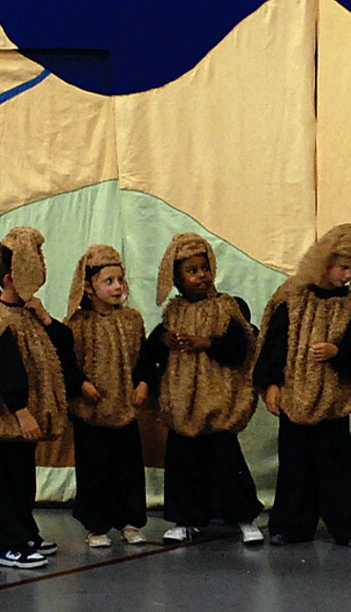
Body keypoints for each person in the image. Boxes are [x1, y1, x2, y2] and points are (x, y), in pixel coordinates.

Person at [0, 226, 84, 569]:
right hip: (11, 419)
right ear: (10, 277)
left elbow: (63, 343)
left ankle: (26, 531)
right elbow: (6, 373)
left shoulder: (26, 314)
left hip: (24, 418)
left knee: (23, 478)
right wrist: (21, 412)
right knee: (8, 480)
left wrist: (45, 319)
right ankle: (8, 544)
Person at [256, 224, 351, 548]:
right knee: (294, 465)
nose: (347, 276)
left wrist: (336, 352)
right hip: (294, 397)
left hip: (332, 402)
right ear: (325, 261)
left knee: (338, 464)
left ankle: (350, 526)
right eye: (343, 267)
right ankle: (290, 525)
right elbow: (274, 344)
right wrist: (271, 384)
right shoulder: (291, 296)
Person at [141, 233, 264, 545]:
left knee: (226, 461)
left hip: (218, 403)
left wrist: (206, 343)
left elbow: (240, 348)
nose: (201, 276)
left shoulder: (228, 307)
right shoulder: (173, 313)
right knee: (184, 464)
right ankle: (187, 519)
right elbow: (153, 349)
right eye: (192, 271)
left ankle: (244, 517)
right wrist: (164, 340)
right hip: (183, 406)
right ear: (176, 278)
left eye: (204, 268)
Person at [64, 245, 150, 549]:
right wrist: (81, 384)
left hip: (125, 409)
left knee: (128, 468)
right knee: (94, 470)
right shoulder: (77, 324)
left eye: (120, 280)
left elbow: (143, 358)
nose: (116, 287)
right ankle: (96, 525)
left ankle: (130, 521)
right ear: (89, 287)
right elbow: (68, 363)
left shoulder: (132, 320)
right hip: (91, 412)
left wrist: (143, 383)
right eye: (108, 281)